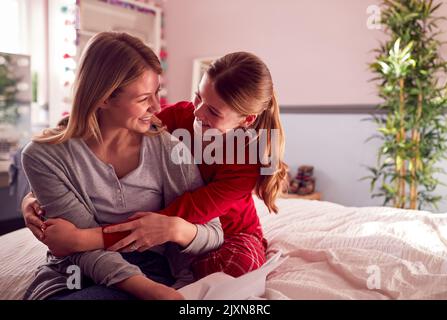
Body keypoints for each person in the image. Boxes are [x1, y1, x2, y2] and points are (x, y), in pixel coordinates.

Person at [23, 51, 287, 281]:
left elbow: (178, 215)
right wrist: (37, 196)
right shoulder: (179, 117)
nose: (198, 112)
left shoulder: (248, 159)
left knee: (233, 271)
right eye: (198, 98)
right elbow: (111, 130)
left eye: (214, 111)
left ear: (246, 120)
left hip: (224, 233)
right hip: (173, 235)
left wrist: (85, 239)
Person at [20, 31, 223, 300]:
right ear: (103, 97)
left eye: (157, 93)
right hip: (76, 273)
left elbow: (213, 233)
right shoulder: (44, 156)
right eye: (143, 99)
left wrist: (174, 229)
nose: (156, 106)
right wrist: (151, 292)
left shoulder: (169, 149)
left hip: (152, 270)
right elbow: (76, 247)